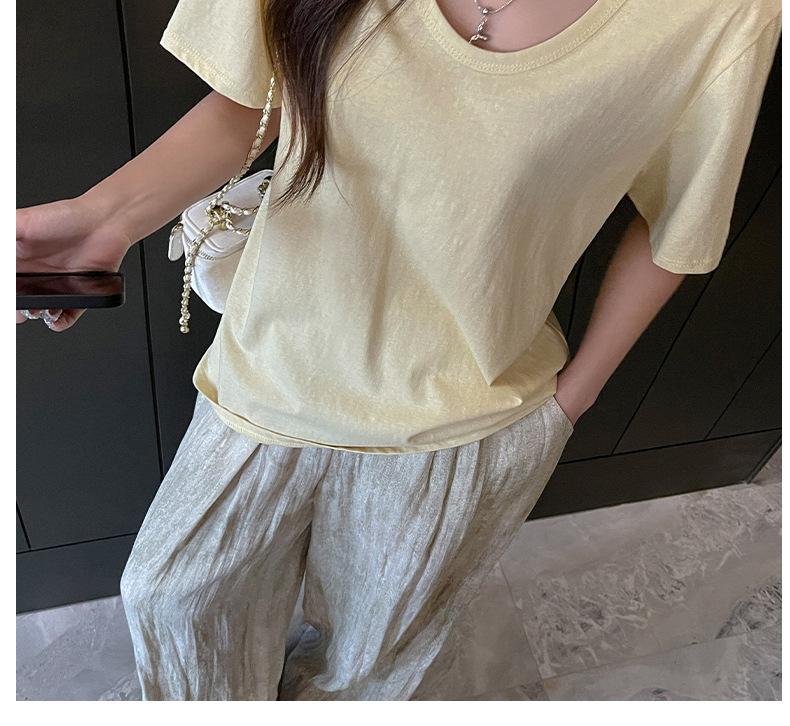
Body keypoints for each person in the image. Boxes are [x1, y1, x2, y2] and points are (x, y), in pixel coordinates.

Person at [16, 0, 780, 701]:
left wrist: (570, 402)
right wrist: (102, 221)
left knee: (374, 668)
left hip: (463, 419)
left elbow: (678, 224)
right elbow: (253, 100)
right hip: (269, 367)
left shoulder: (718, 15)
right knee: (175, 607)